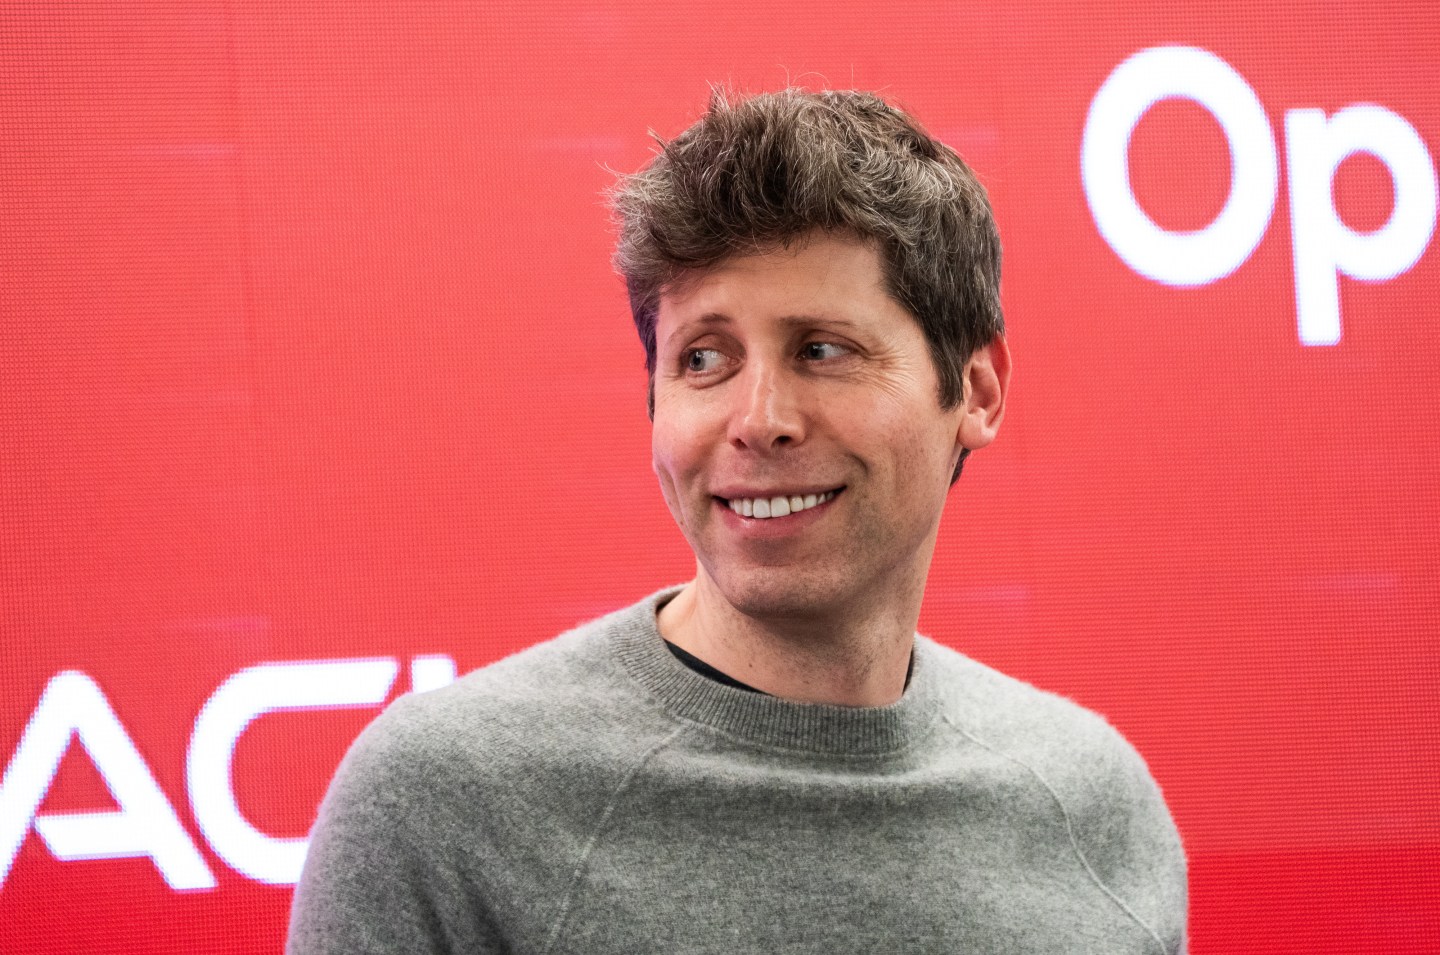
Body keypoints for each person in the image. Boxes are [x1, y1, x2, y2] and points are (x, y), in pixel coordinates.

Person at [287, 88, 1187, 954]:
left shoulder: (1096, 805)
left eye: (823, 350)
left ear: (977, 390)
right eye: (704, 358)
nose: (759, 418)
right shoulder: (446, 808)